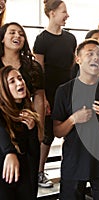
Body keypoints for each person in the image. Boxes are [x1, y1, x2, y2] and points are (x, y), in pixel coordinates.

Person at [52, 39, 99, 199]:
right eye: (90, 54)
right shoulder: (64, 91)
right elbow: (57, 132)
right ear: (78, 59)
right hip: (74, 161)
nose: (96, 57)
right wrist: (73, 119)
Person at [33, 0, 77, 188]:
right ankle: (39, 172)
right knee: (47, 135)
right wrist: (43, 99)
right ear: (52, 13)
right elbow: (38, 71)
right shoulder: (41, 39)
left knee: (71, 131)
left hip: (67, 91)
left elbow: (71, 67)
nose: (67, 15)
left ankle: (71, 169)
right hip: (48, 93)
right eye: (63, 12)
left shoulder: (71, 39)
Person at [0, 22, 45, 196]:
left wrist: (37, 127)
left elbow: (40, 97)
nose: (17, 36)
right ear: (2, 38)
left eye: (21, 33)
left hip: (25, 120)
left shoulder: (32, 66)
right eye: (12, 32)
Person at [0, 66, 41, 199]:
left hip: (24, 181)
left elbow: (34, 154)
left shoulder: (27, 113)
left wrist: (32, 130)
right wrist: (9, 152)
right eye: (12, 81)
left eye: (20, 78)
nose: (19, 82)